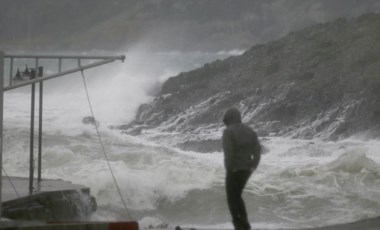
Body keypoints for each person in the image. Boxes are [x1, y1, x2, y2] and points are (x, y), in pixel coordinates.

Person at [222, 107, 261, 230]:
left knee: (231, 197)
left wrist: (229, 169)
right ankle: (245, 224)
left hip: (234, 169)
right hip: (246, 169)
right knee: (237, 195)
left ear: (228, 119)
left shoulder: (228, 132)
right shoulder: (250, 131)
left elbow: (229, 153)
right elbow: (257, 150)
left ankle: (239, 225)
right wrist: (254, 165)